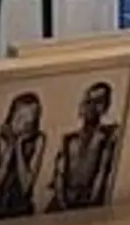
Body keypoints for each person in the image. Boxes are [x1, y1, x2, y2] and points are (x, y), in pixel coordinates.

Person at [47, 80, 122, 211]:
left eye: (98, 101)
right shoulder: (69, 139)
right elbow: (60, 173)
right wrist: (62, 203)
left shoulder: (108, 136)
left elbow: (102, 172)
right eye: (88, 101)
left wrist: (91, 206)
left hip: (89, 204)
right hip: (63, 203)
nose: (92, 107)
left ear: (106, 106)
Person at [0, 91, 46, 222]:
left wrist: (18, 147)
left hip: (19, 209)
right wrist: (9, 148)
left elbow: (26, 185)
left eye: (30, 119)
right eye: (21, 117)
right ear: (12, 115)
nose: (25, 124)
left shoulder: (38, 141)